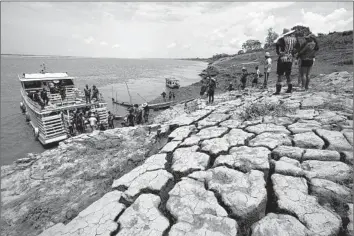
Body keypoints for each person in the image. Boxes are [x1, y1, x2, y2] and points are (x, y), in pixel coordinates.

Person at [274, 28, 297, 95]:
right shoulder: (294, 39)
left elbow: (277, 49)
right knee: (288, 74)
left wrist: (279, 53)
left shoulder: (281, 39)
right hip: (289, 58)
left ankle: (278, 90)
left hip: (282, 58)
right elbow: (295, 49)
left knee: (280, 74)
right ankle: (289, 89)